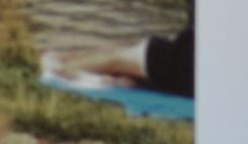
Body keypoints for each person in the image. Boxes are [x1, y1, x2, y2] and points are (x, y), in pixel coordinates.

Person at [42, 26, 193, 98]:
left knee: (115, 57)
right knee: (115, 57)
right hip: (168, 59)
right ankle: (64, 65)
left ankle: (62, 64)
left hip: (171, 61)